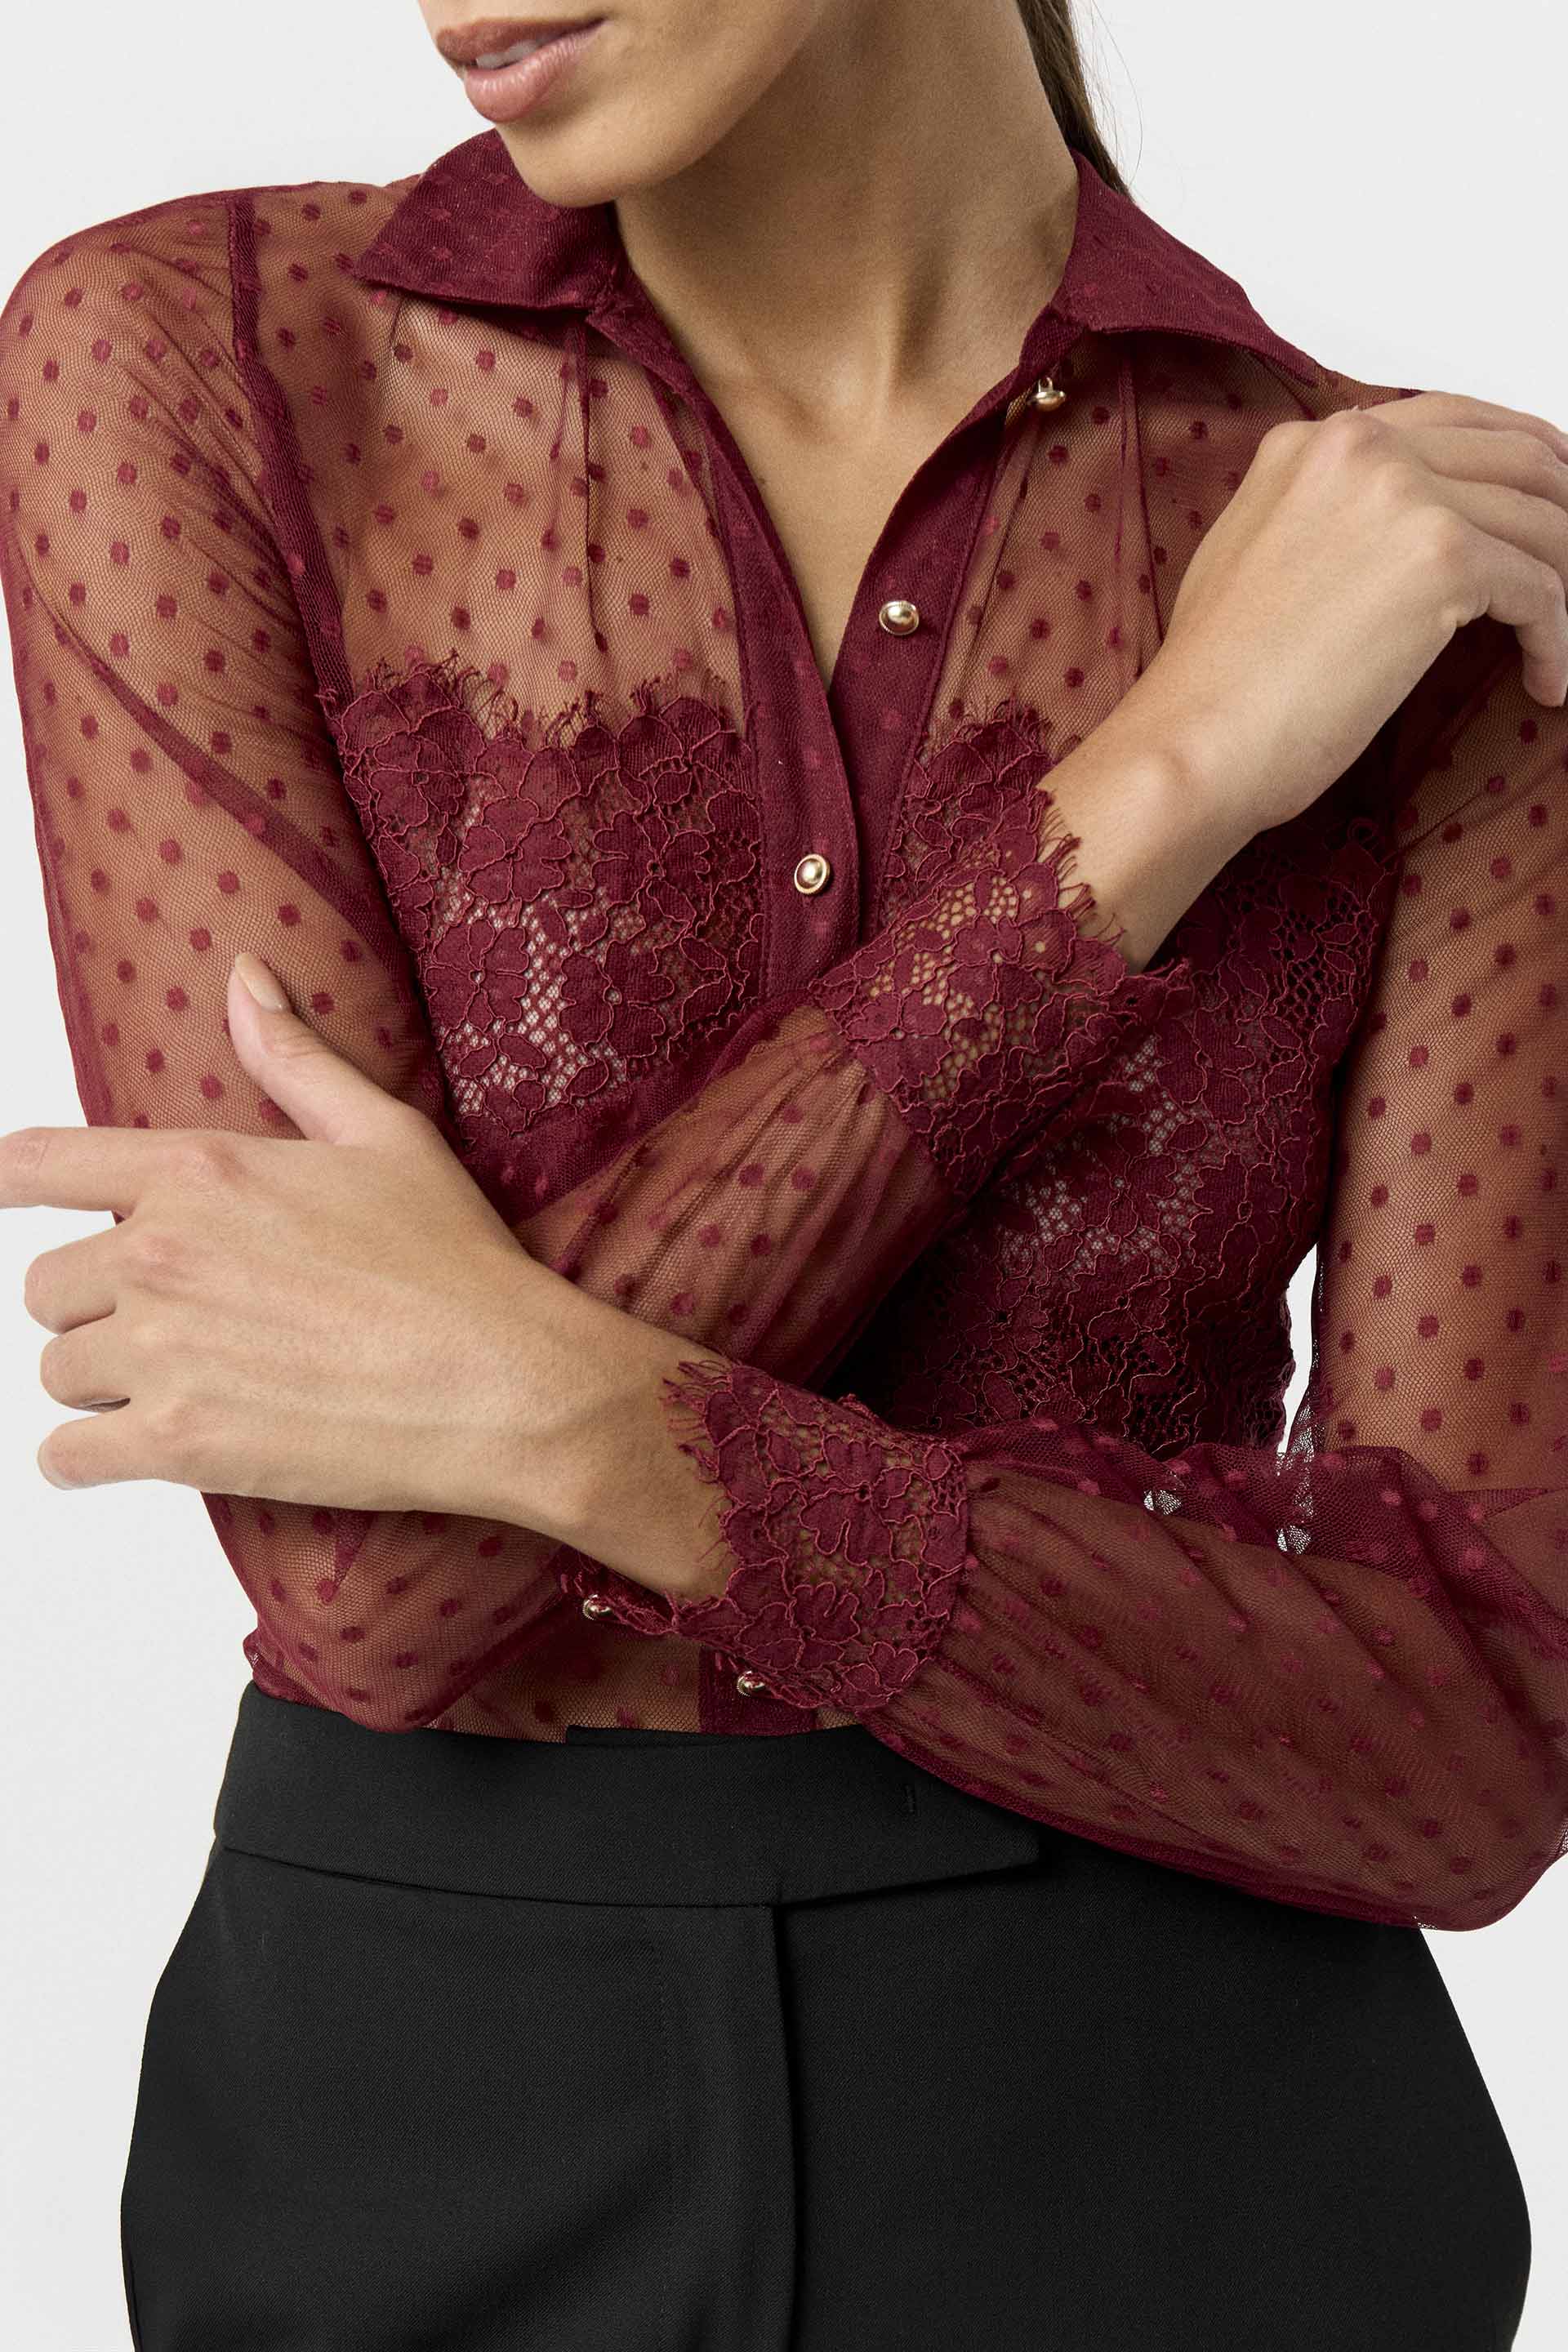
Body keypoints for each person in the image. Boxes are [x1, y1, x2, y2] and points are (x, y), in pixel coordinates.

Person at [1, 1, 1562, 2343]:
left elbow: (1469, 1752)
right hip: (414, 2128)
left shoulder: (1411, 564)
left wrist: (577, 1427)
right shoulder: (198, 364)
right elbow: (375, 1589)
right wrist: (1165, 783)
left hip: (1184, 2137)